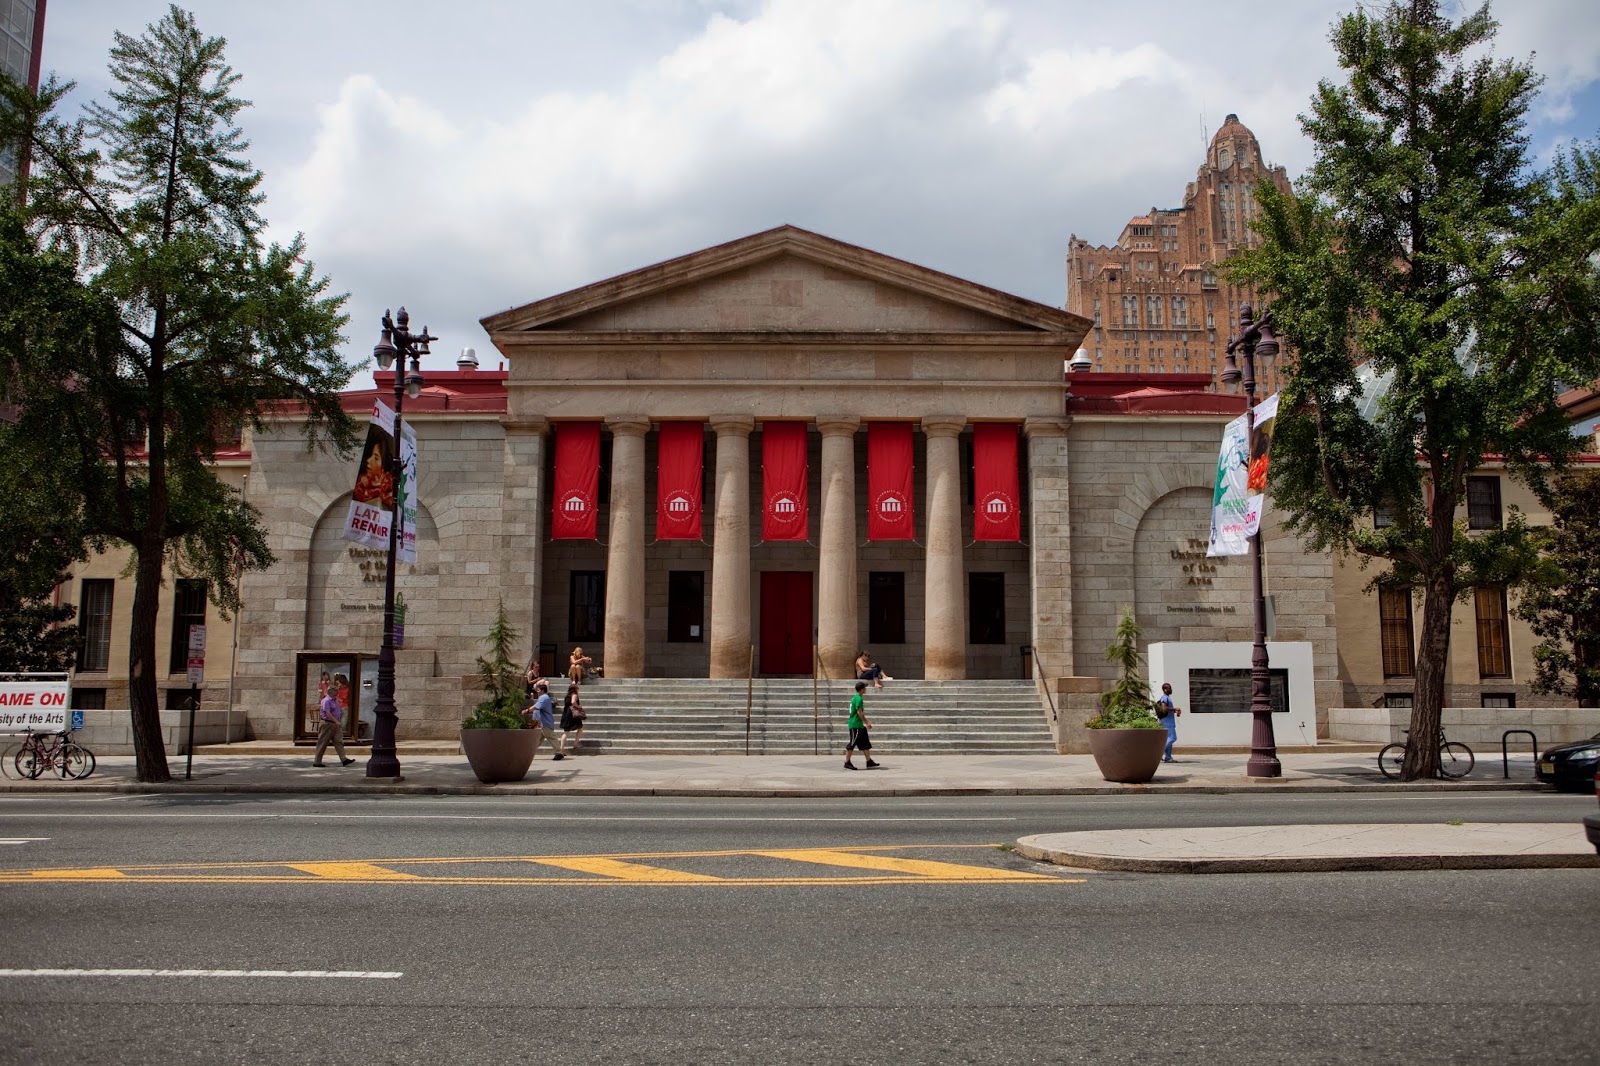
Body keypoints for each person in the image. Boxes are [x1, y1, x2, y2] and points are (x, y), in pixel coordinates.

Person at [312, 672, 356, 767]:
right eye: (335, 691)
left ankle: (343, 759)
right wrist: (336, 721)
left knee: (339, 741)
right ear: (330, 692)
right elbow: (327, 713)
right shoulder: (326, 701)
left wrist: (338, 721)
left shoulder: (335, 700)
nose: (337, 693)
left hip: (335, 724)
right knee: (323, 742)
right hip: (328, 724)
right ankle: (317, 761)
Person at [522, 681, 565, 760]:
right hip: (540, 723)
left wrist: (527, 710)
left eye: (538, 690)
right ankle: (528, 753)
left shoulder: (544, 698)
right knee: (536, 740)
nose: (537, 691)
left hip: (544, 723)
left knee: (551, 737)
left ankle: (559, 753)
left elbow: (536, 707)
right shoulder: (543, 697)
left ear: (542, 690)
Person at [843, 680, 880, 770]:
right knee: (852, 743)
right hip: (855, 725)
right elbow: (859, 712)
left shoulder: (856, 697)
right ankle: (847, 762)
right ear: (862, 689)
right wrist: (867, 722)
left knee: (865, 742)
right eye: (865, 688)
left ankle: (869, 761)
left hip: (859, 725)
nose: (865, 689)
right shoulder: (858, 699)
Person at [1155, 681, 1182, 762]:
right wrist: (1175, 709)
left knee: (1168, 739)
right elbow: (1164, 708)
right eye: (1169, 688)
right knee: (1173, 737)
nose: (1171, 689)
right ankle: (1157, 753)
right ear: (1165, 689)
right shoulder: (1164, 698)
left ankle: (1168, 758)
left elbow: (1167, 709)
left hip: (1167, 721)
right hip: (1167, 722)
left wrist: (1174, 711)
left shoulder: (1167, 698)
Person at [560, 682, 586, 755]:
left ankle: (561, 749)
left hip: (566, 714)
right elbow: (573, 702)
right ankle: (575, 743)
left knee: (566, 732)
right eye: (577, 689)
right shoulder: (574, 695)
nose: (578, 690)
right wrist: (578, 706)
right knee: (580, 728)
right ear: (575, 689)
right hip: (573, 714)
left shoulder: (567, 696)